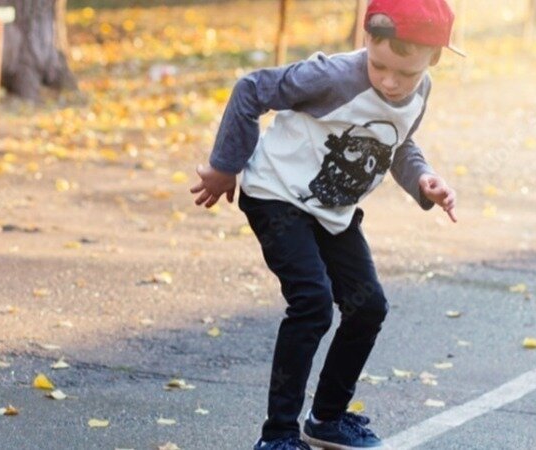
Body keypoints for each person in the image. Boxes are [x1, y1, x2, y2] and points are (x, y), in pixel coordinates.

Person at [190, 0, 462, 448]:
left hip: (333, 212)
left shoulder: (422, 91)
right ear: (366, 39)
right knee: (312, 303)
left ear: (433, 58)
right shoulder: (333, 77)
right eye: (379, 66)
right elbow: (251, 89)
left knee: (368, 307)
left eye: (405, 73)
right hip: (277, 195)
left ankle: (327, 419)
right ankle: (278, 435)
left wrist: (422, 179)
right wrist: (225, 165)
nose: (390, 82)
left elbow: (398, 142)